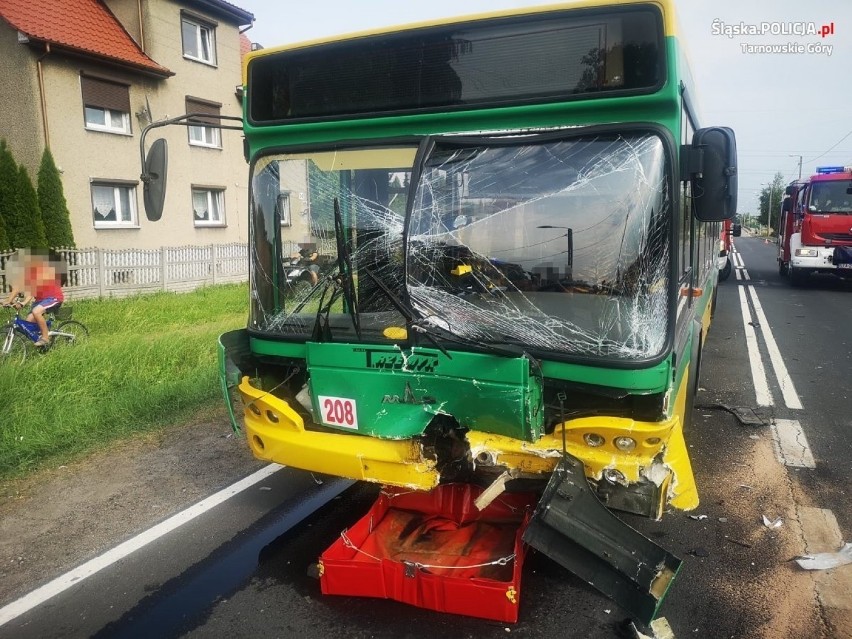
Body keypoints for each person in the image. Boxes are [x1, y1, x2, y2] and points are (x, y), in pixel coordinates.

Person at [2, 250, 65, 347]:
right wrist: (18, 303)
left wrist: (12, 301)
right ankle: (43, 343)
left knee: (36, 312)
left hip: (53, 297)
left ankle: (45, 338)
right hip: (40, 300)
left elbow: (23, 289)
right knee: (29, 321)